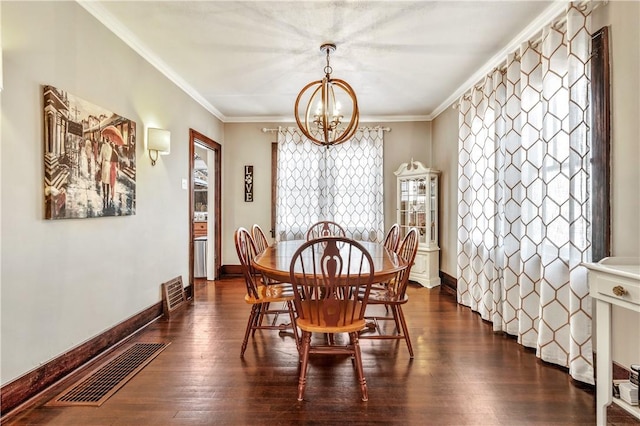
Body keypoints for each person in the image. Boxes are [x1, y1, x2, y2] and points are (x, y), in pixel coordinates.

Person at [97, 138, 113, 209]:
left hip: (104, 164)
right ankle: (108, 195)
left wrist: (99, 162)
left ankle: (104, 194)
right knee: (108, 181)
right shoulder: (111, 148)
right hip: (108, 164)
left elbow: (100, 156)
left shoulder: (103, 146)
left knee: (103, 181)